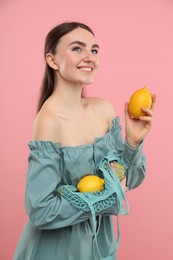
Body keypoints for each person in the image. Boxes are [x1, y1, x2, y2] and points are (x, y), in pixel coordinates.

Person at [13, 21, 156, 260]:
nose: (89, 57)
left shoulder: (104, 110)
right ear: (52, 60)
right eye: (77, 49)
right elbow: (40, 211)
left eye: (94, 50)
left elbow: (125, 178)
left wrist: (132, 143)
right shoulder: (48, 121)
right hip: (56, 251)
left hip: (100, 248)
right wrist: (107, 200)